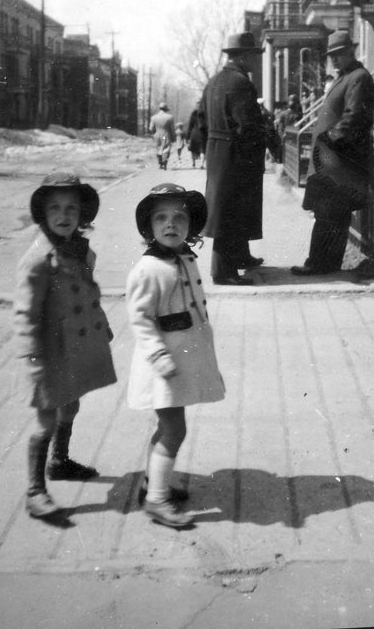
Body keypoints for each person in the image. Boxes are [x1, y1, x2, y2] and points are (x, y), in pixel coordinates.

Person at [13, 170, 117, 518]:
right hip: (46, 354)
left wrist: (103, 325)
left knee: (70, 407)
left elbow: (89, 293)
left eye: (71, 209)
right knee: (45, 421)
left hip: (72, 346)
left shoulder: (76, 249)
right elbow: (25, 315)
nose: (63, 216)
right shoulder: (38, 260)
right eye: (55, 208)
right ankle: (34, 490)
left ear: (81, 215)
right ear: (43, 213)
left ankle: (59, 461)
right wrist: (31, 359)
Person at [126, 183, 225, 528]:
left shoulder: (185, 258)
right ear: (149, 227)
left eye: (180, 217)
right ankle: (156, 500)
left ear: (191, 226)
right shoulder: (149, 269)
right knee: (174, 430)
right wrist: (159, 358)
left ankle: (153, 480)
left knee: (169, 426)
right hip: (164, 364)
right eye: (162, 218)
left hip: (182, 359)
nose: (171, 224)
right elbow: (139, 319)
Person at [291, 30, 374, 276]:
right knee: (328, 213)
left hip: (341, 160)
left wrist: (328, 140)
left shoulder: (359, 78)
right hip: (332, 161)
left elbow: (354, 119)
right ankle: (323, 264)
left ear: (352, 51)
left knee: (332, 213)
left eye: (340, 54)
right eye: (332, 56)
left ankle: (320, 265)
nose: (335, 60)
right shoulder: (345, 77)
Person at [199, 32, 266, 285]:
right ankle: (223, 272)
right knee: (229, 212)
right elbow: (247, 126)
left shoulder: (214, 81)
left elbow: (201, 121)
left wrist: (212, 148)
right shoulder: (240, 83)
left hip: (218, 153)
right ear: (244, 56)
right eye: (254, 56)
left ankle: (240, 257)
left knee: (230, 208)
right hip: (237, 155)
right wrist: (255, 152)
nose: (256, 61)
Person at [149, 102, 176, 170]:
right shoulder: (170, 117)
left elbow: (151, 128)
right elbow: (172, 129)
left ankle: (160, 162)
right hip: (165, 135)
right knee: (166, 148)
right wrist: (173, 137)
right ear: (166, 109)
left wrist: (154, 134)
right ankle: (164, 162)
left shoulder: (154, 117)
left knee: (158, 148)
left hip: (157, 135)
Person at [186, 102, 206, 168]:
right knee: (203, 150)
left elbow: (190, 126)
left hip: (194, 134)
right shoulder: (206, 113)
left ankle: (193, 163)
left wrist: (187, 137)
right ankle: (202, 164)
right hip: (203, 134)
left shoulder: (194, 113)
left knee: (193, 149)